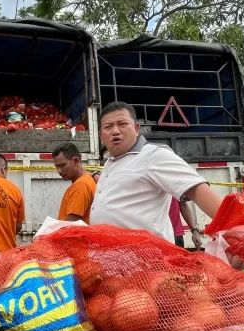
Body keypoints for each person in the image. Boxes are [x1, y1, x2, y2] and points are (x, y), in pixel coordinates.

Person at [91, 101, 222, 243]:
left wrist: (234, 232)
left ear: (136, 129)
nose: (115, 131)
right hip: (113, 259)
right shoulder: (110, 163)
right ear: (101, 136)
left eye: (122, 124)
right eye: (108, 127)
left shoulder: (153, 155)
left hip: (147, 260)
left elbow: (197, 189)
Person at [52, 143, 96, 223]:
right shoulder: (87, 180)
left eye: (62, 165)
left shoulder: (81, 185)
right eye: (57, 167)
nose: (59, 171)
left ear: (76, 161)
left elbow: (71, 224)